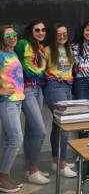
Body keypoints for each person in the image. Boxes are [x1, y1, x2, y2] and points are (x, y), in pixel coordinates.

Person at [15, 20, 50, 184]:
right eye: (37, 30)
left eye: (43, 30)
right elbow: (10, 57)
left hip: (39, 90)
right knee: (40, 131)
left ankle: (30, 168)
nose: (41, 32)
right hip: (27, 90)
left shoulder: (41, 48)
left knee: (31, 131)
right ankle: (33, 169)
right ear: (31, 31)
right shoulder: (23, 44)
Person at [43, 23, 76, 178]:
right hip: (54, 87)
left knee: (58, 126)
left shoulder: (69, 50)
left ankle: (55, 161)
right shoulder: (48, 50)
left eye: (65, 33)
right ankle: (62, 164)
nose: (62, 36)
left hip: (68, 86)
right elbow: (40, 70)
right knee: (64, 124)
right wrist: (51, 76)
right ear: (53, 35)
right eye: (58, 34)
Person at [0, 25, 25, 192]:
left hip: (17, 102)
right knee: (16, 140)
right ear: (1, 38)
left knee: (8, 140)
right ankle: (3, 177)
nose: (12, 37)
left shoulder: (13, 53)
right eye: (7, 35)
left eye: (14, 34)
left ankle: (4, 175)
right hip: (7, 102)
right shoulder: (1, 55)